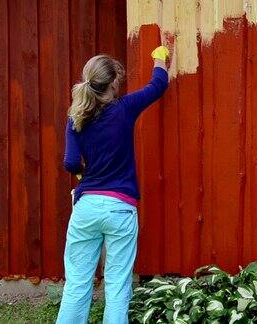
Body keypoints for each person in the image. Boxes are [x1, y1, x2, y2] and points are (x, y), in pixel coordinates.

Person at [56, 46, 170, 324]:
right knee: (117, 285)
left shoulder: (76, 117)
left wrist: (86, 177)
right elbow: (158, 85)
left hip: (86, 208)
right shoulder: (124, 109)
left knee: (77, 283)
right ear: (114, 82)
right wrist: (160, 56)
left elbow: (70, 162)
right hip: (120, 208)